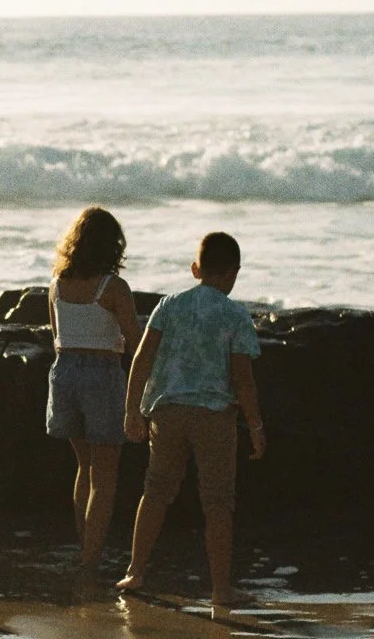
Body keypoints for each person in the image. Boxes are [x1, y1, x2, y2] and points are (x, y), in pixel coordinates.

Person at [118, 231, 265, 605]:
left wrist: (131, 409)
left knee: (155, 490)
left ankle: (135, 571)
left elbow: (142, 359)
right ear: (233, 273)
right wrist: (256, 425)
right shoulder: (236, 315)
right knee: (217, 502)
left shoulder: (169, 306)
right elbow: (243, 378)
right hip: (214, 416)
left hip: (167, 411)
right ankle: (220, 590)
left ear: (195, 269)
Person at [45, 207, 142, 568]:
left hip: (65, 372)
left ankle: (85, 547)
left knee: (84, 467)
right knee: (105, 476)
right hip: (102, 374)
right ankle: (90, 560)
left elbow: (57, 337)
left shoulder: (57, 285)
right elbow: (135, 343)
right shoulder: (112, 287)